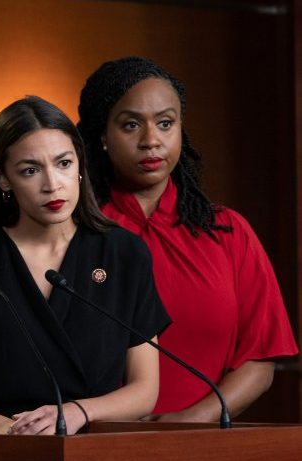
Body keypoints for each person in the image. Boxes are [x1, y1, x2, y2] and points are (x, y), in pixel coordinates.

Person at [0, 96, 170, 435]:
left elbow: (145, 389)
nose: (52, 184)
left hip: (94, 452)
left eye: (63, 163)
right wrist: (6, 432)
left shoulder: (124, 253)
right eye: (30, 170)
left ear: (80, 165)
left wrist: (78, 412)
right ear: (3, 179)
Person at [77, 56, 298, 421]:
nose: (151, 140)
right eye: (131, 125)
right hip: (96, 443)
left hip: (203, 444)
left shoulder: (228, 231)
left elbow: (259, 360)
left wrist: (193, 419)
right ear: (102, 136)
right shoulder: (76, 233)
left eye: (165, 123)